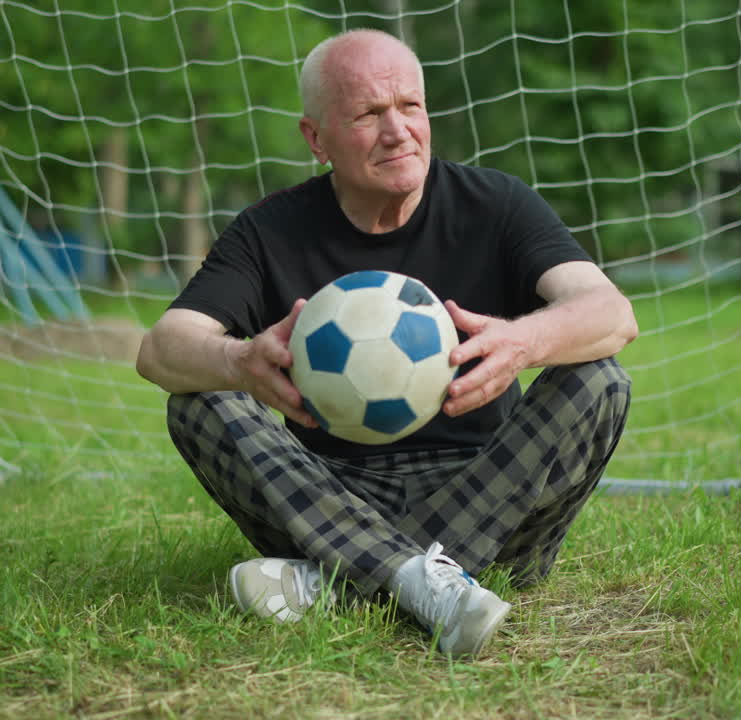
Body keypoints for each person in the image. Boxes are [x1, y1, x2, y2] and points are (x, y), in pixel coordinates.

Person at [137, 29, 637, 658]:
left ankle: (339, 582)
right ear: (316, 138)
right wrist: (239, 360)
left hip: (491, 491)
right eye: (369, 114)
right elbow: (160, 350)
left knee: (601, 378)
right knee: (199, 398)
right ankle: (423, 581)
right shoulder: (270, 229)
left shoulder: (497, 205)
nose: (399, 131)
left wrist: (524, 340)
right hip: (325, 490)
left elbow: (611, 312)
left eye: (410, 107)